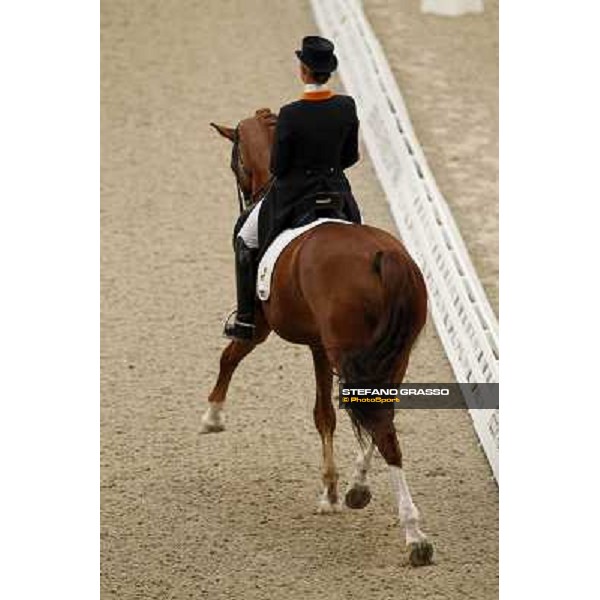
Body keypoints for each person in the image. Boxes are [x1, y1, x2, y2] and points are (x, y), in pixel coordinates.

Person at [224, 35, 362, 340]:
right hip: (338, 191)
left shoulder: (291, 113)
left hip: (295, 194)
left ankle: (246, 318)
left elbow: (278, 168)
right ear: (329, 71)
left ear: (303, 71)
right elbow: (351, 157)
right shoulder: (346, 105)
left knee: (245, 237)